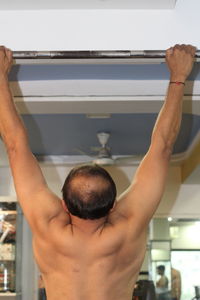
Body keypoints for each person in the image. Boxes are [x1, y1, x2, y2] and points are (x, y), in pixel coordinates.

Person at [0, 44, 196, 300]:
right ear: (113, 205)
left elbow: (15, 145)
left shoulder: (49, 227)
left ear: (64, 204)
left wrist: (1, 77)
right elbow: (163, 147)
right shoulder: (128, 227)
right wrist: (178, 78)